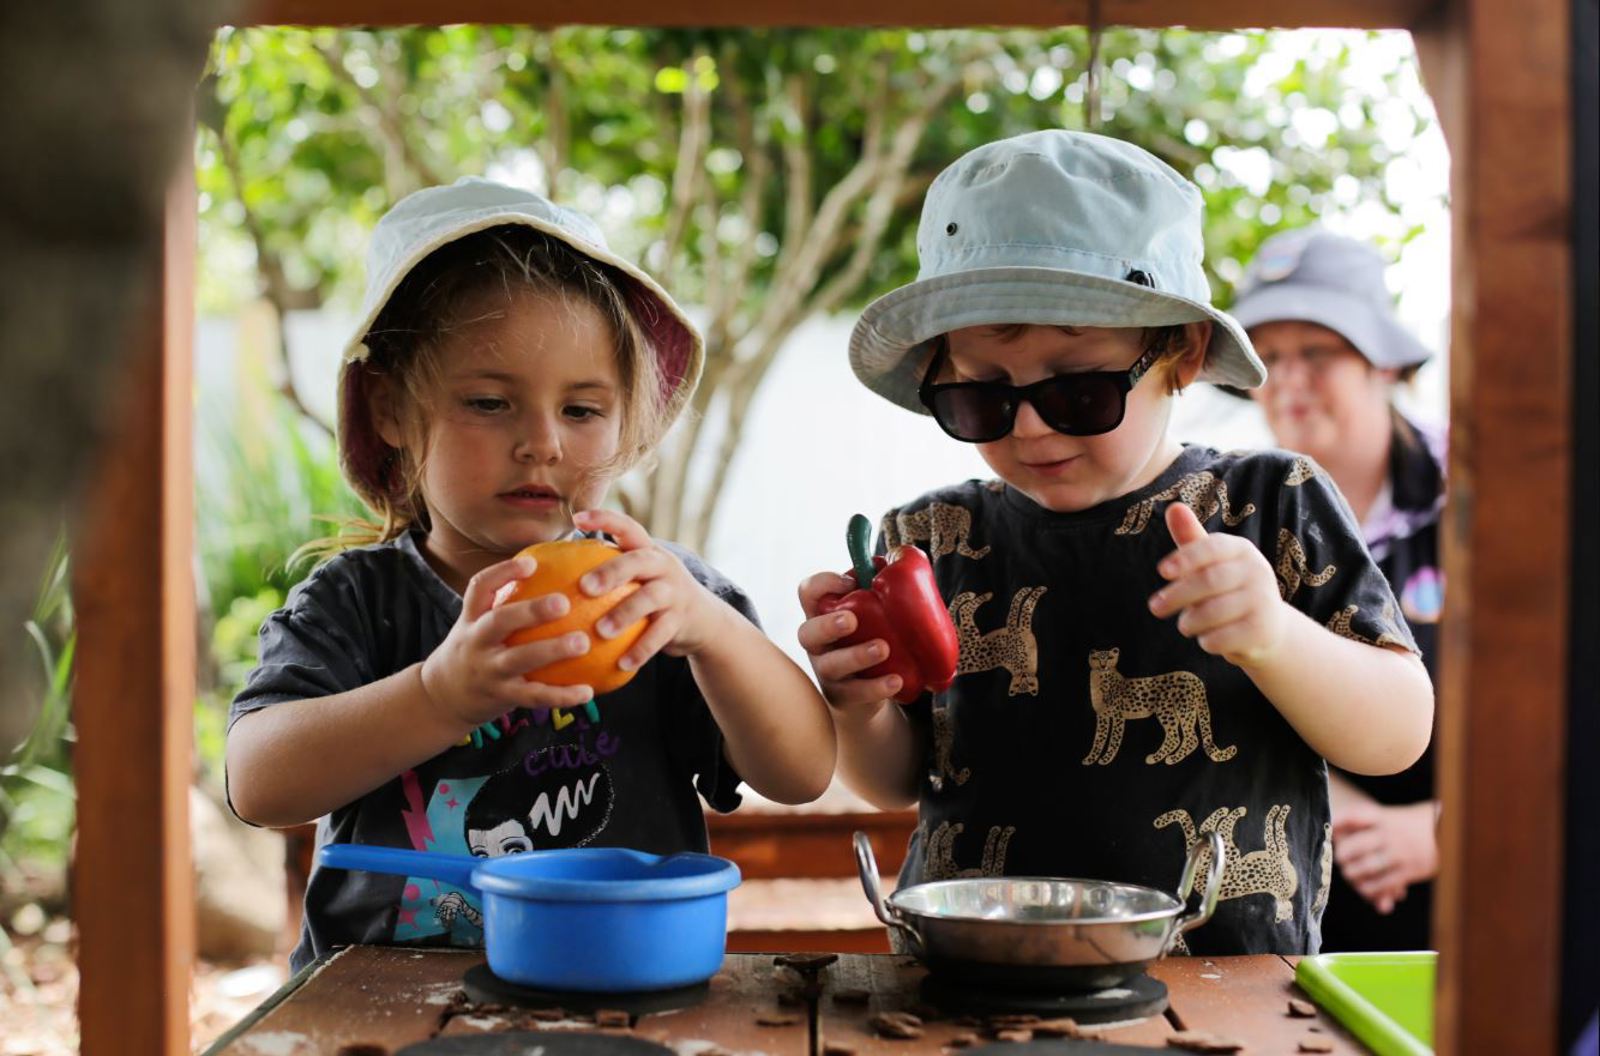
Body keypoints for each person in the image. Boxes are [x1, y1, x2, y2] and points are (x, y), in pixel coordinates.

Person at [796, 130, 1434, 954]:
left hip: (1220, 980)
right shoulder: (928, 537)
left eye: (1079, 389)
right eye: (981, 398)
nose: (1028, 427)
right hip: (971, 969)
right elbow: (892, 780)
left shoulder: (1271, 502)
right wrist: (859, 700)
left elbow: (1396, 734)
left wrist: (1275, 636)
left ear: (1183, 353)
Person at [226, 177, 835, 970]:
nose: (542, 443)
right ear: (389, 409)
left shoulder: (655, 598)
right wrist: (439, 695)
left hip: (617, 992)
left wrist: (712, 632)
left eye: (582, 411)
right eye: (488, 402)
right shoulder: (359, 602)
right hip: (386, 1005)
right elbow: (259, 782)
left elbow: (803, 772)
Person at [1229, 228, 1444, 951]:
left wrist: (1444, 830)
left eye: (1317, 352)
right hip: (1298, 895)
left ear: (1383, 362)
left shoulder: (1495, 498)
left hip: (1495, 884)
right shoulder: (1229, 512)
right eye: (1270, 357)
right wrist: (1343, 807)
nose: (1289, 379)